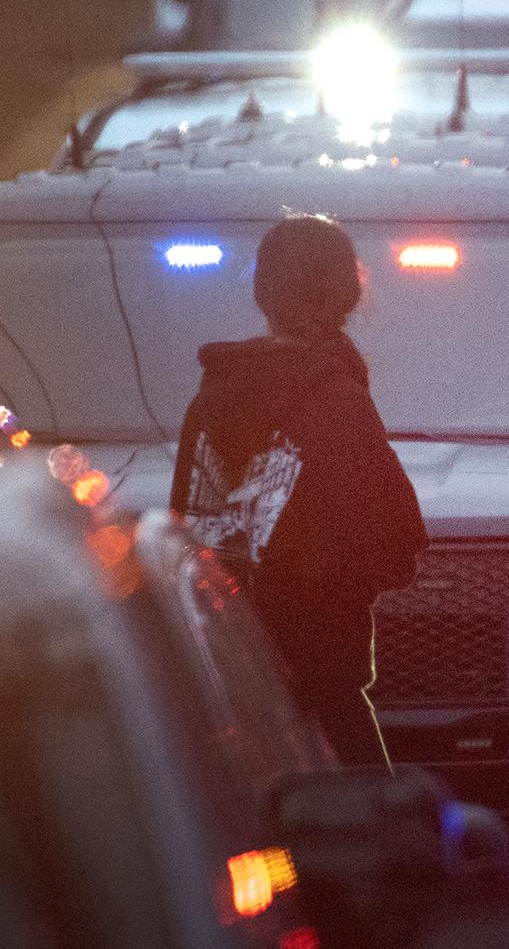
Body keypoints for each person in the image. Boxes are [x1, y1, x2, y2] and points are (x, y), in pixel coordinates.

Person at [171, 214, 426, 768]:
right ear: (347, 295)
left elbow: (186, 525)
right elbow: (392, 539)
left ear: (263, 293)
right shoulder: (336, 398)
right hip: (321, 675)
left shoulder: (211, 397)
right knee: (364, 830)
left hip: (229, 665)